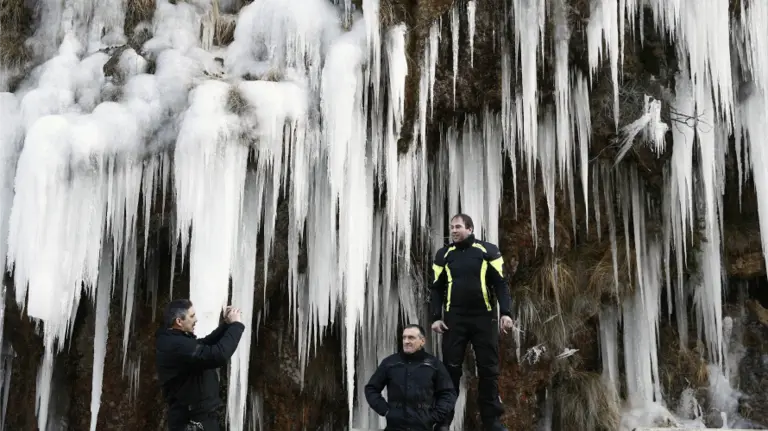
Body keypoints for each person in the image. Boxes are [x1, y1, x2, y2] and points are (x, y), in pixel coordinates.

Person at [430, 213, 514, 431]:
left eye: (458, 227)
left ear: (470, 228)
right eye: (452, 227)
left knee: (488, 370)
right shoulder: (444, 254)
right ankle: (444, 421)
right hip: (454, 320)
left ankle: (492, 421)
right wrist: (435, 317)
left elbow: (501, 284)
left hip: (483, 318)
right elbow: (437, 289)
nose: (454, 231)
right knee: (450, 371)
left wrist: (506, 313)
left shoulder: (488, 251)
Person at [155, 299, 245, 431]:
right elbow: (218, 355)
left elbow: (204, 345)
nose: (196, 319)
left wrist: (226, 325)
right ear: (179, 322)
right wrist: (236, 325)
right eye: (191, 316)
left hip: (197, 419)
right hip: (192, 422)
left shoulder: (173, 339)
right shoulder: (177, 345)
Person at [364, 324, 457, 431]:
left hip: (423, 427)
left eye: (411, 338)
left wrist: (434, 416)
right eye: (404, 337)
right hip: (394, 427)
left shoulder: (434, 365)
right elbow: (371, 388)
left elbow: (449, 393)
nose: (406, 341)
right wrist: (385, 410)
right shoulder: (390, 363)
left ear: (422, 341)